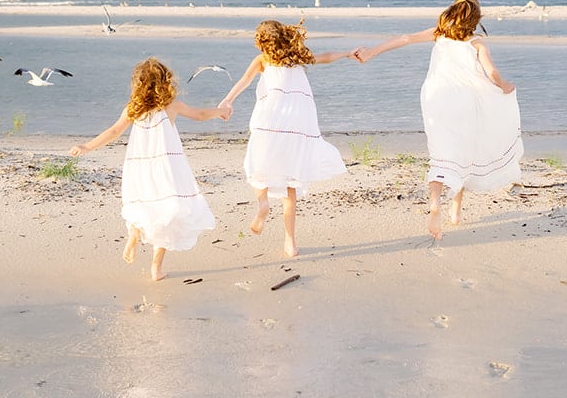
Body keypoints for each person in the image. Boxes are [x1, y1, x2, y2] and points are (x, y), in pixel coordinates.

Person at [356, 0, 522, 240]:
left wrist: (371, 52)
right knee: (463, 151)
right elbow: (492, 73)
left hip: (435, 98)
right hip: (465, 102)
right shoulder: (477, 44)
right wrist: (505, 86)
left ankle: (437, 205)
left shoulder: (438, 34)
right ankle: (454, 212)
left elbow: (405, 39)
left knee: (442, 153)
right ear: (475, 20)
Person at [70, 58, 224, 281]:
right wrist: (220, 111)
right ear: (165, 81)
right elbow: (200, 115)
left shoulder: (133, 109)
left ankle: (135, 232)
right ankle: (156, 269)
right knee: (167, 212)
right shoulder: (170, 105)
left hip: (139, 166)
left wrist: (86, 146)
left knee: (144, 203)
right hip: (166, 167)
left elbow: (113, 132)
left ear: (138, 83)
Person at [219, 20, 356, 258]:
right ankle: (290, 243)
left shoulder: (262, 60)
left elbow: (244, 81)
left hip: (268, 122)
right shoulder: (297, 58)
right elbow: (326, 56)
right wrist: (347, 53)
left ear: (262, 41)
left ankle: (262, 203)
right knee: (290, 186)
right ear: (285, 36)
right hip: (296, 125)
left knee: (256, 167)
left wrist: (227, 100)